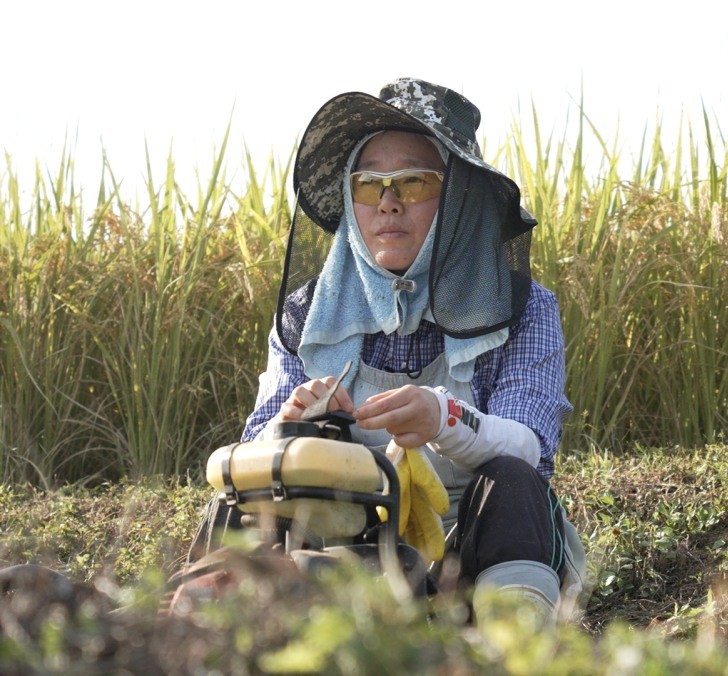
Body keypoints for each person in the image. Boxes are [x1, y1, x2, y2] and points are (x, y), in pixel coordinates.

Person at [188, 77, 584, 623]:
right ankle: (201, 627)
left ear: (463, 196)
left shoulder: (523, 308)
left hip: (472, 546)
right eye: (369, 186)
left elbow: (529, 450)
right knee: (243, 496)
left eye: (414, 183)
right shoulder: (306, 315)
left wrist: (444, 417)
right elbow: (255, 445)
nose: (389, 204)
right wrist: (294, 424)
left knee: (514, 482)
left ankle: (511, 638)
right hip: (346, 542)